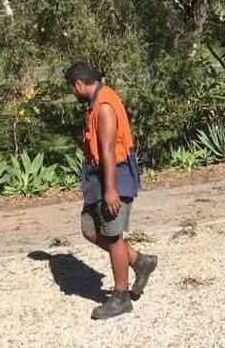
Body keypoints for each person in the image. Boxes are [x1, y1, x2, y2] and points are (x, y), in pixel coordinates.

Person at [65, 60, 158, 319]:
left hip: (114, 174)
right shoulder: (95, 102)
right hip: (100, 173)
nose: (73, 93)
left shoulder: (104, 106)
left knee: (113, 235)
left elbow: (107, 151)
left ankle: (121, 296)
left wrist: (110, 190)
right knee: (89, 229)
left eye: (72, 88)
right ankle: (140, 261)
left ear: (79, 84)